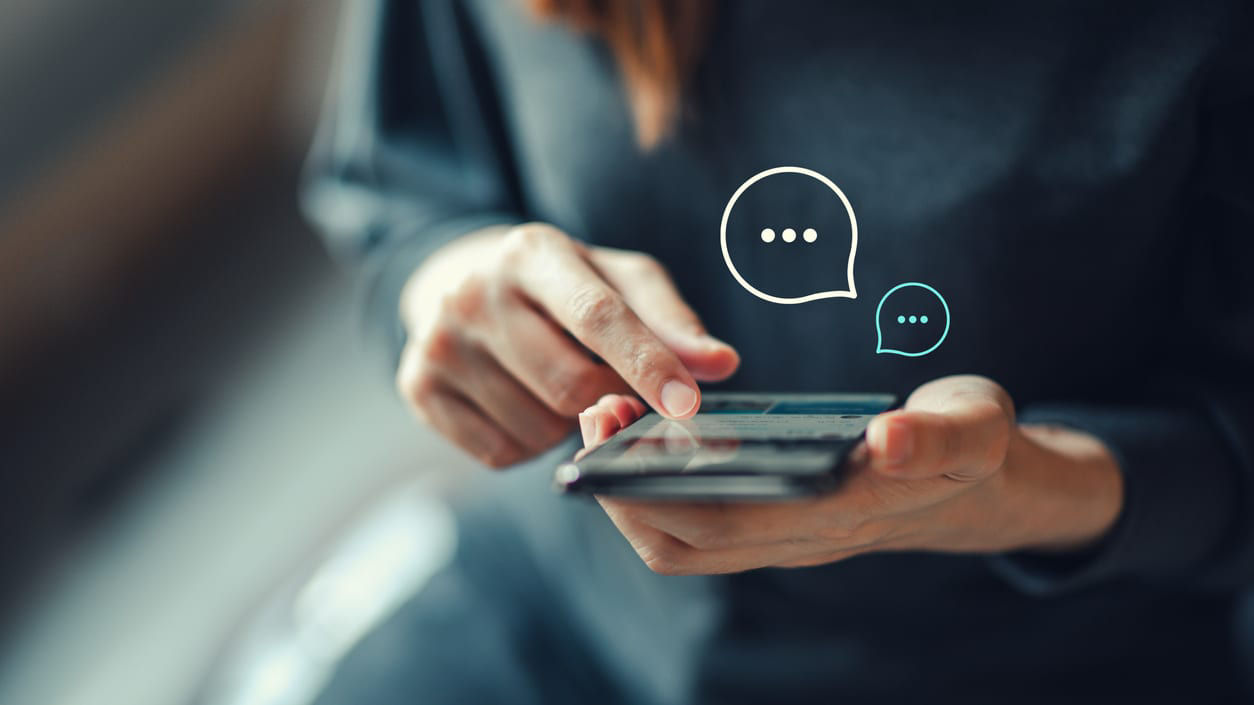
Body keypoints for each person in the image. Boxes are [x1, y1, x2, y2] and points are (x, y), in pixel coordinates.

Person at [303, 0, 1254, 702]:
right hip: (562, 608)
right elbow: (395, 182)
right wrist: (446, 283)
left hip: (1034, 667)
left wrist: (1028, 488)